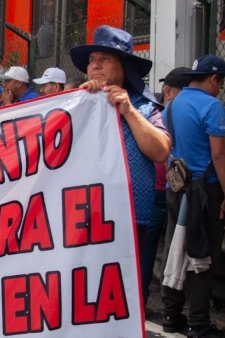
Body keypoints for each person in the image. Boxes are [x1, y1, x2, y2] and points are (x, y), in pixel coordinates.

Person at [72, 26, 170, 308]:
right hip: (79, 222)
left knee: (123, 301)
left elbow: (161, 151)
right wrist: (75, 104)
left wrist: (129, 111)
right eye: (92, 60)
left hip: (128, 222)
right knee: (80, 299)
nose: (95, 65)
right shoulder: (76, 103)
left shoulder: (145, 108)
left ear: (125, 67)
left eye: (105, 59)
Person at [159, 54, 225, 338]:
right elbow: (218, 154)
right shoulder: (212, 105)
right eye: (221, 83)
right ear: (214, 79)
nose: (220, 89)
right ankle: (199, 327)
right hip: (205, 191)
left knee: (173, 246)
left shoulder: (172, 104)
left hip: (177, 185)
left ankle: (170, 315)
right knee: (201, 256)